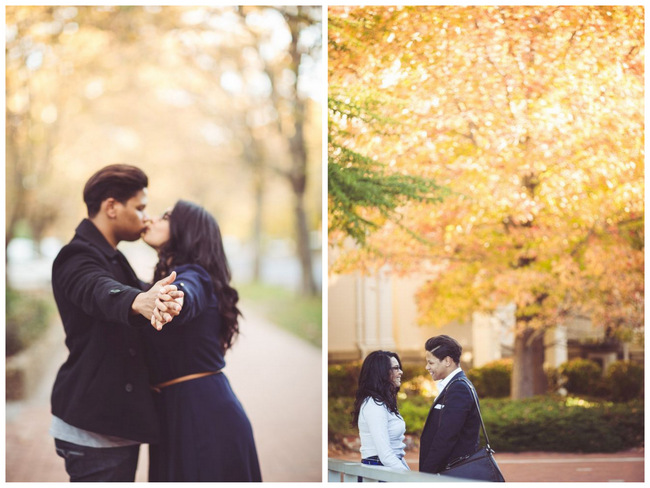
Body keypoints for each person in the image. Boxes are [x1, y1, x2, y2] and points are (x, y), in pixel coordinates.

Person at [49, 164, 184, 482]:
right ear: (112, 207)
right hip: (94, 429)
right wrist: (139, 301)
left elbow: (141, 291)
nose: (145, 217)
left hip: (115, 425)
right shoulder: (76, 256)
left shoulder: (111, 256)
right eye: (140, 207)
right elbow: (97, 289)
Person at [141, 200, 262, 482]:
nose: (153, 219)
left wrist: (176, 300)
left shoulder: (194, 276)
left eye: (166, 217)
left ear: (186, 230)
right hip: (178, 412)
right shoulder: (162, 282)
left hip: (203, 415)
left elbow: (187, 294)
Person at [419, 335, 481, 474]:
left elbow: (446, 437)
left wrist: (426, 474)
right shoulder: (455, 385)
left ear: (447, 361)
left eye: (431, 363)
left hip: (453, 472)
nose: (427, 367)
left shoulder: (459, 388)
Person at [351, 350, 410, 471]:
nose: (401, 372)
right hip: (379, 470)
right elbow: (385, 454)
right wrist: (408, 478)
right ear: (381, 373)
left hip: (390, 467)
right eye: (395, 368)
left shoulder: (384, 402)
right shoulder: (374, 405)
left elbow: (394, 451)